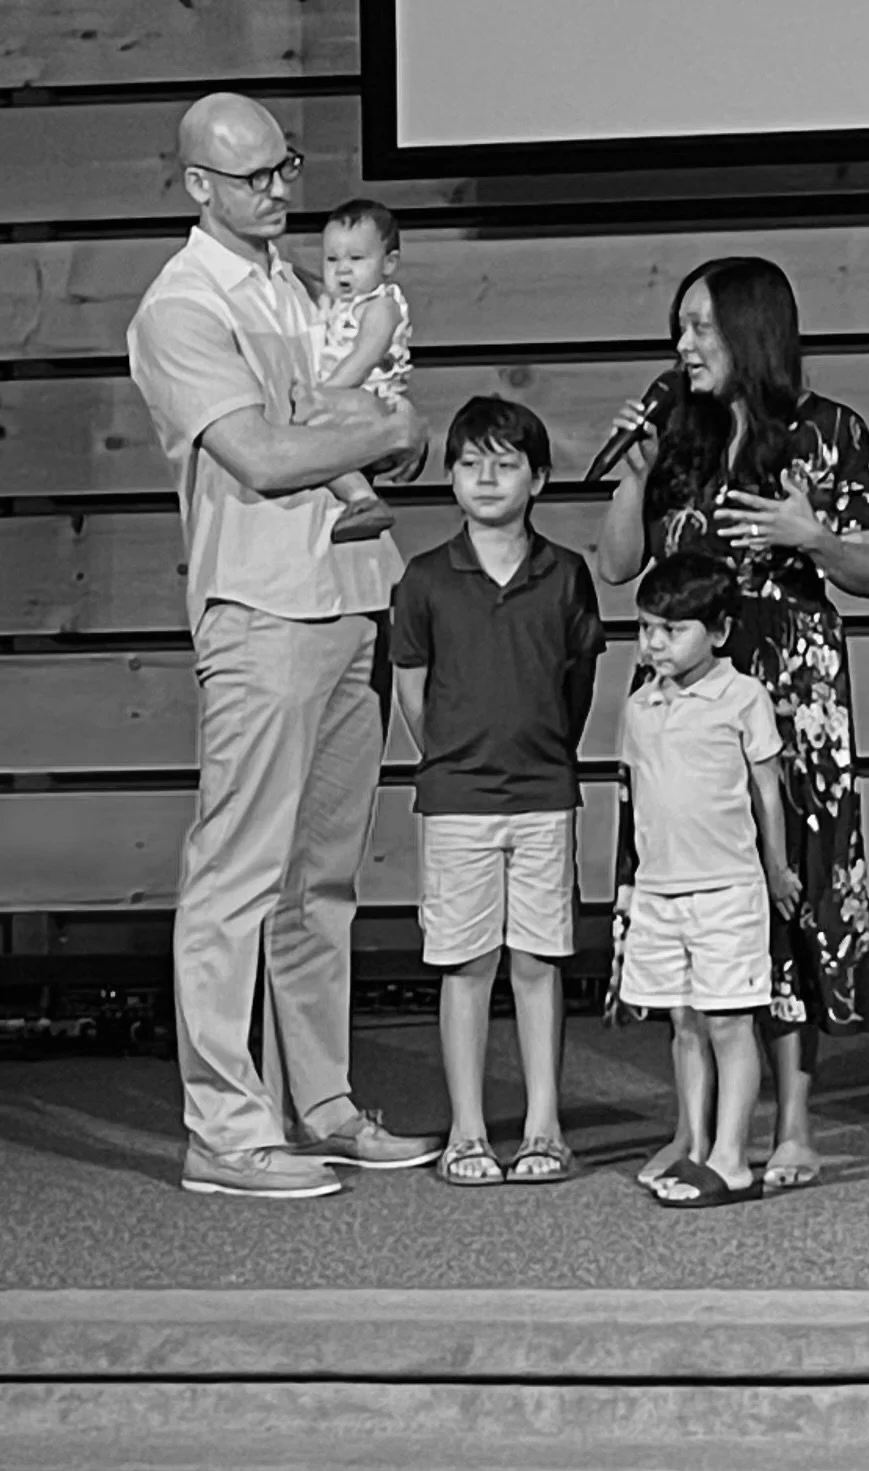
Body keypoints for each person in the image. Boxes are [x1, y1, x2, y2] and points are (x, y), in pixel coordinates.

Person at [127, 91, 441, 1199]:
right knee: (237, 874)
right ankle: (222, 1126)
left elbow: (358, 424)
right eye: (253, 175)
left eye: (283, 167)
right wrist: (375, 429)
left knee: (322, 882)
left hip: (347, 594)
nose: (278, 190)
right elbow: (262, 456)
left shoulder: (291, 283)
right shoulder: (182, 305)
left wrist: (370, 431)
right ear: (197, 186)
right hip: (259, 609)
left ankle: (320, 1103)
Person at [597, 256, 869, 1194]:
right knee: (684, 887)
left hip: (790, 693)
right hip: (682, 705)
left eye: (701, 328)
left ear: (752, 332)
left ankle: (793, 1126)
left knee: (785, 888)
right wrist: (633, 475)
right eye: (678, 328)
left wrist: (813, 537)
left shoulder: (828, 431)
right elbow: (616, 566)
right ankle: (694, 1129)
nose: (683, 347)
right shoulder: (677, 437)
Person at [391, 396, 606, 1186]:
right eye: (470, 462)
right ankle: (469, 1132)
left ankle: (545, 1127)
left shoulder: (566, 575)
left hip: (545, 794)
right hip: (454, 802)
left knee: (539, 962)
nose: (486, 476)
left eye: (505, 461)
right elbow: (411, 689)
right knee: (465, 963)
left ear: (539, 478)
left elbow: (576, 680)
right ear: (448, 476)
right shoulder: (422, 580)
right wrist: (451, 759)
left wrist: (544, 753)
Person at [617, 551, 800, 1208]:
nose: (655, 643)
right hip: (662, 889)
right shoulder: (639, 705)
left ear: (718, 631)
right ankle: (693, 1145)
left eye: (673, 629)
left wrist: (776, 868)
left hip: (725, 887)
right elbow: (637, 797)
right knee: (684, 1023)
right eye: (645, 629)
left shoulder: (741, 695)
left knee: (728, 1022)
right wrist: (632, 884)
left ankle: (731, 1157)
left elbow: (766, 791)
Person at [317, 198, 414, 545]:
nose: (343, 270)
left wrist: (323, 395)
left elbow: (365, 355)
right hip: (346, 396)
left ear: (389, 263)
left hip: (369, 399)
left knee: (319, 434)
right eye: (332, 259)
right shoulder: (337, 304)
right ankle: (360, 497)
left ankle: (362, 499)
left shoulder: (381, 306)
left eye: (356, 259)